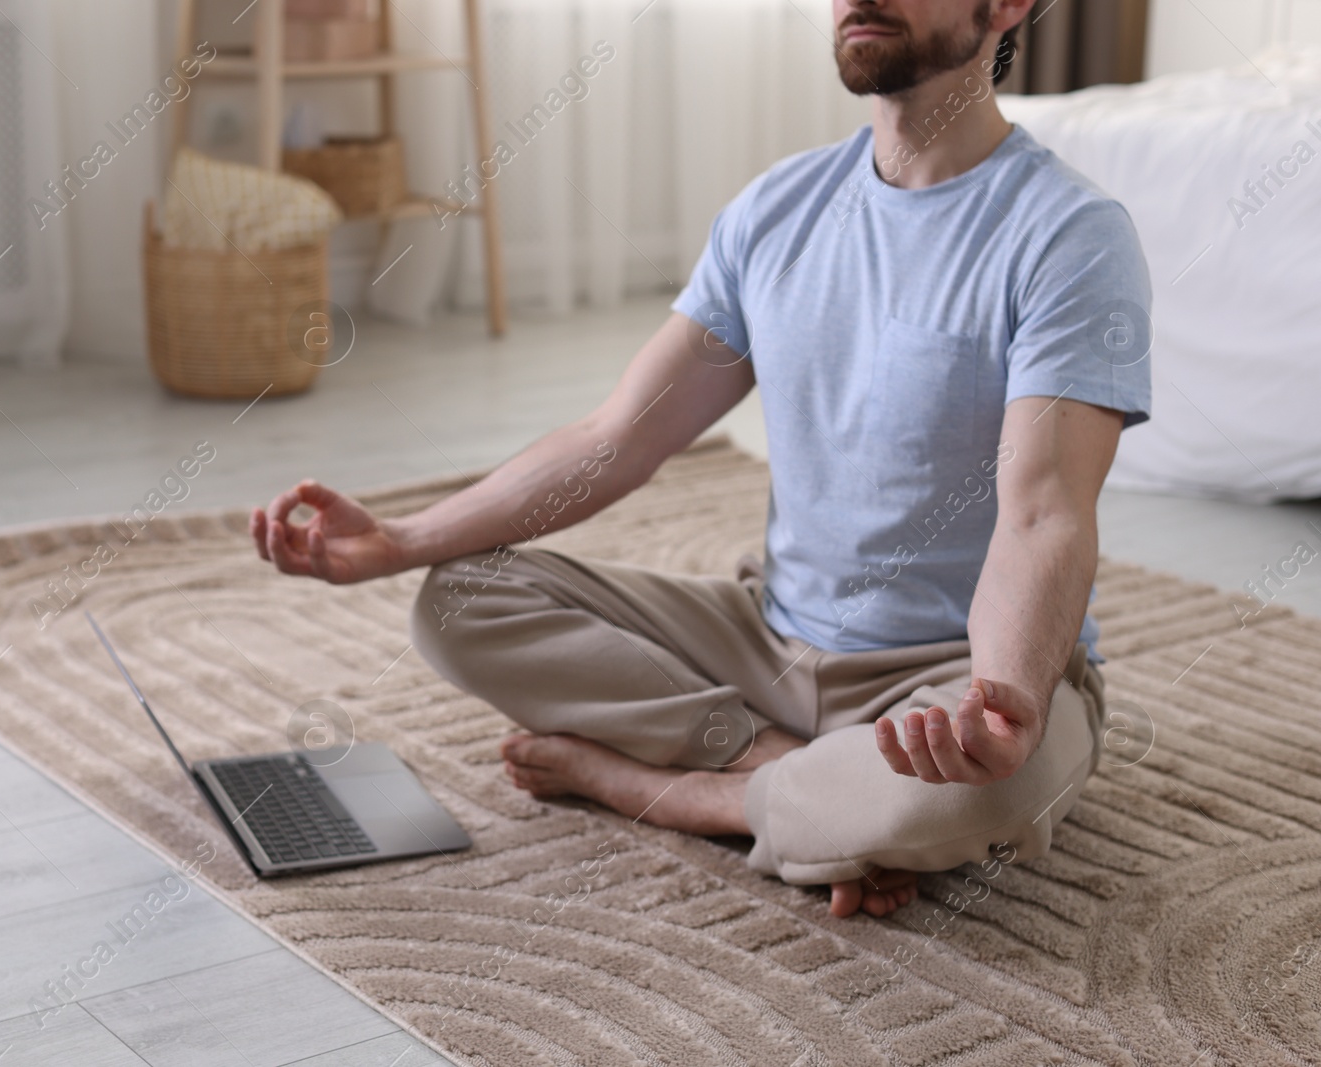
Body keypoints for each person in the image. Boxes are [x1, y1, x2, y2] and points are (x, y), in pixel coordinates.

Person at [251, 0, 1152, 919]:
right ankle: (791, 782)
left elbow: (1046, 512)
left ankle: (678, 789)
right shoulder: (776, 211)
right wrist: (399, 538)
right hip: (770, 637)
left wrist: (1003, 703)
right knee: (456, 601)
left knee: (985, 787)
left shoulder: (1070, 236)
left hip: (951, 670)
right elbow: (618, 438)